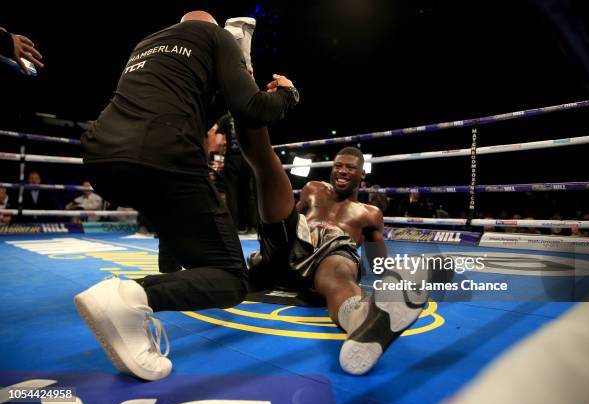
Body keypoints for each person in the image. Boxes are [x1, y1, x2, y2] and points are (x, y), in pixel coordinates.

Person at [74, 10, 299, 381]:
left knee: (169, 203)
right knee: (231, 279)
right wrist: (288, 95)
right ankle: (131, 297)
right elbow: (252, 108)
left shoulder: (146, 43)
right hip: (161, 153)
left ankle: (153, 291)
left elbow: (196, 106)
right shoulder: (216, 37)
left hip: (101, 157)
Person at [237, 123, 428, 375]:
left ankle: (362, 321)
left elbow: (378, 263)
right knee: (276, 209)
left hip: (331, 258)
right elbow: (288, 220)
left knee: (338, 267)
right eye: (338, 165)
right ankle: (257, 135)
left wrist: (393, 281)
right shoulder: (312, 189)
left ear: (362, 175)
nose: (342, 171)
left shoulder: (370, 214)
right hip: (291, 249)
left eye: (350, 168)